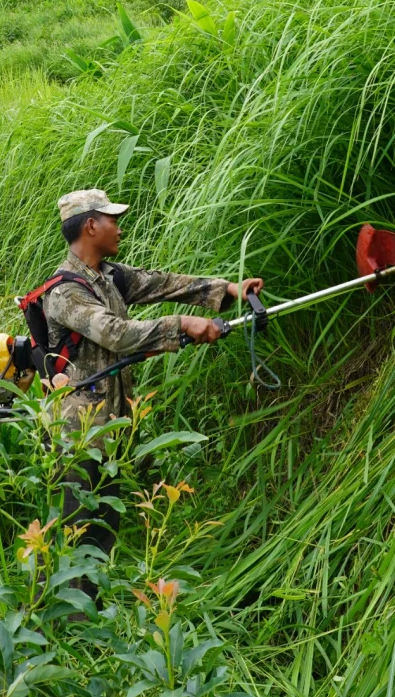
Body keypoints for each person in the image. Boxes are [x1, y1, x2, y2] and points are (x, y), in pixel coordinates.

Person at [42, 187, 262, 559]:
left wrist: (228, 289)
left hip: (108, 427)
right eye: (113, 219)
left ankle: (88, 611)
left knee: (103, 530)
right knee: (76, 534)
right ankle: (61, 611)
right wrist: (183, 325)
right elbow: (116, 334)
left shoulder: (109, 276)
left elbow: (161, 283)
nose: (119, 228)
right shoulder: (65, 292)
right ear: (91, 226)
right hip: (76, 435)